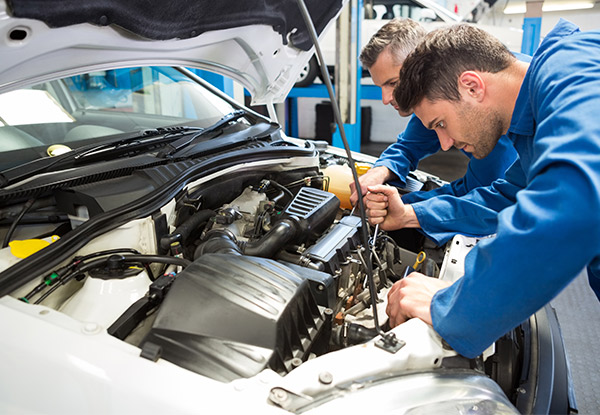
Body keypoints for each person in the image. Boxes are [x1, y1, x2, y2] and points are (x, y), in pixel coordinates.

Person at [364, 20, 600, 358]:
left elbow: (569, 207)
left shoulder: (574, 72)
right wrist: (409, 214)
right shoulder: (534, 122)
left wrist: (452, 307)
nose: (443, 144)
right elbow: (507, 197)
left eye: (441, 124)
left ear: (472, 86)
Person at [349, 18, 520, 247]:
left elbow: (489, 197)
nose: (386, 98)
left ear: (420, 66)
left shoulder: (491, 112)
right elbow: (408, 146)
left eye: (392, 83)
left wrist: (410, 208)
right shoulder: (442, 100)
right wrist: (380, 172)